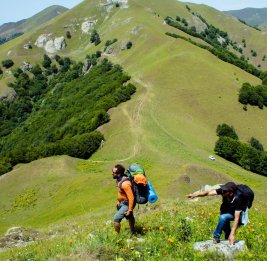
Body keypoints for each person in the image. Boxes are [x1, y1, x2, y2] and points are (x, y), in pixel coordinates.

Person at [112, 164, 135, 233]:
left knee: (116, 218)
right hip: (124, 202)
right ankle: (132, 231)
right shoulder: (119, 180)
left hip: (127, 203)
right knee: (129, 216)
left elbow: (131, 197)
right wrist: (119, 200)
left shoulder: (125, 184)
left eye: (113, 172)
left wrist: (130, 210)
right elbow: (121, 192)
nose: (112, 173)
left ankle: (117, 236)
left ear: (118, 173)